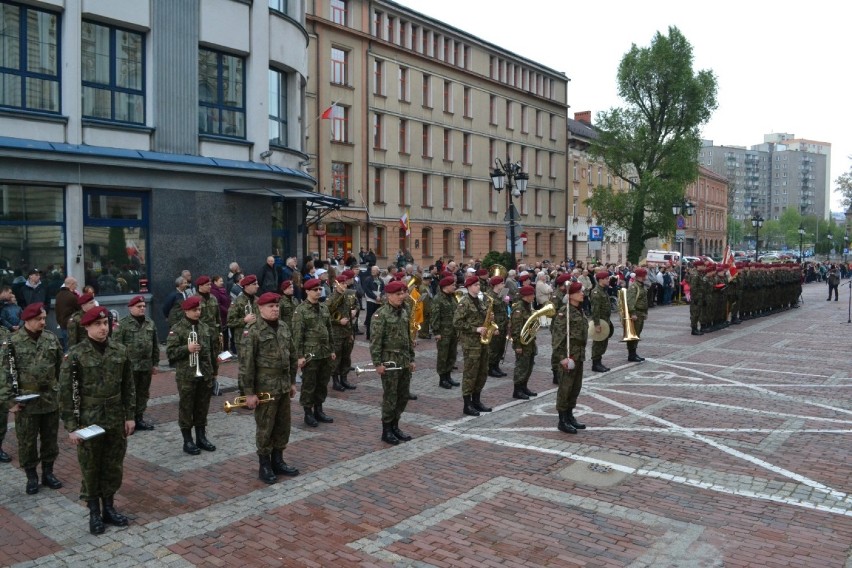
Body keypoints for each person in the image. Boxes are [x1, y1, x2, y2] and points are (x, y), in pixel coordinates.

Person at [59, 306, 135, 534]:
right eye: (98, 325)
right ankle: (94, 512)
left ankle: (109, 508)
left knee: (113, 464)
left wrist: (130, 416)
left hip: (114, 416)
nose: (104, 328)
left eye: (106, 324)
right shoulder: (75, 354)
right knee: (91, 466)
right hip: (88, 418)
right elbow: (65, 393)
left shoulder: (119, 350)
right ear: (87, 327)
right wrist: (72, 427)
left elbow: (128, 386)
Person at [0, 303, 63, 494]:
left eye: (44, 318)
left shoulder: (51, 339)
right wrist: (9, 401)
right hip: (26, 402)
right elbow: (3, 374)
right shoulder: (12, 342)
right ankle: (31, 477)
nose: (43, 322)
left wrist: (62, 393)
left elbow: (61, 369)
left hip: (50, 399)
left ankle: (48, 473)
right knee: (27, 441)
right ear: (27, 320)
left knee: (50, 439)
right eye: (39, 319)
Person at [239, 292, 299, 484]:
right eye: (271, 306)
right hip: (265, 388)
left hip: (282, 386)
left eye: (277, 306)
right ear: (260, 308)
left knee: (283, 426)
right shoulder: (252, 331)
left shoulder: (283, 327)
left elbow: (291, 356)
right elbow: (246, 364)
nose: (275, 309)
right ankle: (264, 465)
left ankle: (278, 460)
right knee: (265, 427)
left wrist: (291, 382)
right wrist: (248, 393)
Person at [166, 296, 218, 455]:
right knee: (187, 407)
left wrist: (213, 372)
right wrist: (186, 349)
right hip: (187, 375)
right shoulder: (177, 329)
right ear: (186, 311)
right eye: (195, 310)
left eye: (199, 309)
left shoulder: (204, 327)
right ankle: (187, 440)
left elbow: (210, 352)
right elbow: (170, 353)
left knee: (202, 407)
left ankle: (201, 437)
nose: (198, 312)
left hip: (204, 373)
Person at [370, 280, 416, 445]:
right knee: (390, 396)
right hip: (389, 361)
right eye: (398, 294)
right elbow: (375, 341)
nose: (402, 297)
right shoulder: (380, 314)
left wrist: (411, 358)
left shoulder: (404, 312)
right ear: (388, 295)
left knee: (403, 396)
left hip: (403, 360)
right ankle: (386, 430)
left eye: (403, 293)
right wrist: (377, 363)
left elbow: (407, 337)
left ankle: (395, 425)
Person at [291, 278, 336, 427]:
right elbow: (297, 335)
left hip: (324, 353)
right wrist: (299, 356)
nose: (318, 292)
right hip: (310, 354)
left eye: (319, 289)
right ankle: (308, 413)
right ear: (307, 291)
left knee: (322, 383)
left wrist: (332, 350)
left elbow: (329, 330)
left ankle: (319, 409)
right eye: (315, 290)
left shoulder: (323, 308)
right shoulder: (301, 310)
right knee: (309, 384)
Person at [114, 295, 159, 431]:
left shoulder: (150, 323)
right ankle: (128, 419)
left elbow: (155, 345)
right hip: (129, 367)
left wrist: (155, 363)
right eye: (139, 306)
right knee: (129, 394)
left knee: (143, 393)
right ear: (130, 308)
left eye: (144, 306)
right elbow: (115, 347)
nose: (142, 309)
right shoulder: (122, 324)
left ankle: (139, 418)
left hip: (145, 366)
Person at [552, 282, 589, 434]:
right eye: (579, 291)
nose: (582, 294)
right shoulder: (564, 312)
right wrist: (562, 358)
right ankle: (562, 420)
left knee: (575, 387)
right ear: (571, 295)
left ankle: (570, 415)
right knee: (565, 388)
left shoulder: (579, 311)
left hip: (579, 354)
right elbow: (557, 338)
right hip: (568, 355)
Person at [453, 275, 492, 416]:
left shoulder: (480, 301)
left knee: (482, 372)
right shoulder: (464, 303)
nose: (478, 287)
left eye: (478, 284)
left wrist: (489, 320)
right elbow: (457, 322)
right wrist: (475, 329)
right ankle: (467, 404)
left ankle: (477, 400)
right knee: (470, 373)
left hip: (482, 342)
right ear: (469, 287)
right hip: (471, 343)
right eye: (475, 285)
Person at [328, 271, 358, 392]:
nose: (344, 286)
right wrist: (338, 321)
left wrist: (355, 311)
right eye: (342, 283)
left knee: (346, 358)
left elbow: (355, 307)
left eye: (345, 283)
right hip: (337, 333)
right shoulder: (331, 298)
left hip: (347, 332)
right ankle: (335, 381)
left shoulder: (348, 296)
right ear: (336, 285)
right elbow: (326, 316)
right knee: (336, 359)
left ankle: (344, 379)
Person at [509, 285, 539, 400]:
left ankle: (524, 387)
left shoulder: (528, 306)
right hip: (522, 343)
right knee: (521, 367)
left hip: (529, 341)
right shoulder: (519, 308)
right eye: (532, 294)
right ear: (527, 296)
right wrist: (517, 345)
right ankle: (517, 390)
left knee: (529, 366)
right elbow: (515, 329)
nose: (534, 296)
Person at [431, 276, 460, 389]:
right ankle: (442, 379)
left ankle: (448, 376)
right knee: (443, 356)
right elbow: (434, 317)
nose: (454, 287)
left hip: (453, 331)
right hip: (443, 332)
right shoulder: (438, 298)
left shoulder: (452, 297)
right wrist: (436, 332)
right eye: (452, 285)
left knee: (451, 355)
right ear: (445, 286)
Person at [226, 274, 259, 358]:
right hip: (243, 340)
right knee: (246, 367)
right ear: (247, 286)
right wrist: (244, 320)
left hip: (257, 338)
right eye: (254, 284)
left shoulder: (257, 300)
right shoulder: (237, 301)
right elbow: (229, 322)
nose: (257, 286)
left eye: (257, 284)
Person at [589, 270, 613, 372]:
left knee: (603, 342)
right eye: (606, 278)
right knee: (598, 342)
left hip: (605, 320)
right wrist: (597, 324)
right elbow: (595, 310)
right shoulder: (596, 292)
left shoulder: (603, 290)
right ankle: (595, 364)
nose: (608, 280)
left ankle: (599, 362)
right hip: (600, 321)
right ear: (600, 280)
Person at [486, 276, 509, 378]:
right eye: (502, 283)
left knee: (500, 348)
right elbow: (488, 314)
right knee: (493, 348)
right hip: (496, 326)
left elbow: (504, 308)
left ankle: (496, 366)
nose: (503, 285)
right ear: (496, 285)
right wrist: (493, 327)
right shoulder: (490, 296)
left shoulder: (501, 294)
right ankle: (490, 368)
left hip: (503, 324)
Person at [626, 267, 649, 362]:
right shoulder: (634, 286)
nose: (646, 276)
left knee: (637, 334)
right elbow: (630, 301)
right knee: (633, 334)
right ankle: (631, 354)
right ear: (641, 276)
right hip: (636, 313)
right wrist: (632, 313)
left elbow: (644, 300)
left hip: (641, 313)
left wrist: (645, 312)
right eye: (645, 275)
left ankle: (634, 353)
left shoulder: (641, 286)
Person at [195, 276, 222, 353]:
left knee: (215, 358)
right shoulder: (195, 299)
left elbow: (218, 316)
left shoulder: (213, 298)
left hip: (214, 333)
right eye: (207, 285)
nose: (210, 286)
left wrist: (220, 331)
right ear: (200, 286)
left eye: (210, 284)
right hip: (201, 334)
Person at [54, 276, 79, 352]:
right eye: (75, 284)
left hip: (62, 324)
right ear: (71, 284)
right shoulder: (72, 297)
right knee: (72, 347)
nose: (76, 286)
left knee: (66, 345)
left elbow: (56, 310)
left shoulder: (58, 295)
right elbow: (80, 309)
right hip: (71, 325)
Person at [210, 275, 232, 350]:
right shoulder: (214, 291)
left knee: (226, 333)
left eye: (222, 281)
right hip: (222, 315)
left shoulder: (222, 290)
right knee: (222, 333)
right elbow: (218, 304)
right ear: (215, 282)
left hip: (226, 314)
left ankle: (226, 349)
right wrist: (227, 311)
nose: (222, 283)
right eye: (220, 281)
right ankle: (222, 350)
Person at [363, 265, 384, 340]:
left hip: (379, 301)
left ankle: (376, 333)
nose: (373, 272)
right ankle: (369, 335)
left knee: (377, 317)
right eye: (372, 270)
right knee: (370, 317)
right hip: (371, 300)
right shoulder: (368, 279)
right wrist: (375, 297)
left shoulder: (380, 280)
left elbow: (383, 289)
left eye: (375, 270)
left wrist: (381, 296)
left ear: (378, 271)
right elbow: (367, 290)